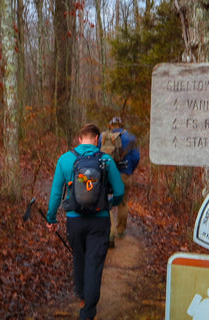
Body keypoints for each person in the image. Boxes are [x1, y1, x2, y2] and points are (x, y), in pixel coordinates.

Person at [46, 123, 124, 320]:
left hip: (75, 222)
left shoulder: (65, 160)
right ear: (97, 140)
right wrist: (110, 203)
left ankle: (82, 295)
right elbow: (120, 191)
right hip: (99, 222)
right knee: (94, 265)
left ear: (80, 139)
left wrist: (51, 218)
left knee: (79, 259)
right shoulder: (106, 160)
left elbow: (56, 193)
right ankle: (87, 312)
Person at [99, 116, 140, 246]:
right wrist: (129, 171)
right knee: (123, 203)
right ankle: (121, 231)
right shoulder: (131, 138)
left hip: (108, 174)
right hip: (124, 175)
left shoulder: (103, 137)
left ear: (111, 126)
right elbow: (136, 157)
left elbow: (98, 154)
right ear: (122, 125)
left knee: (107, 203)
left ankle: (110, 234)